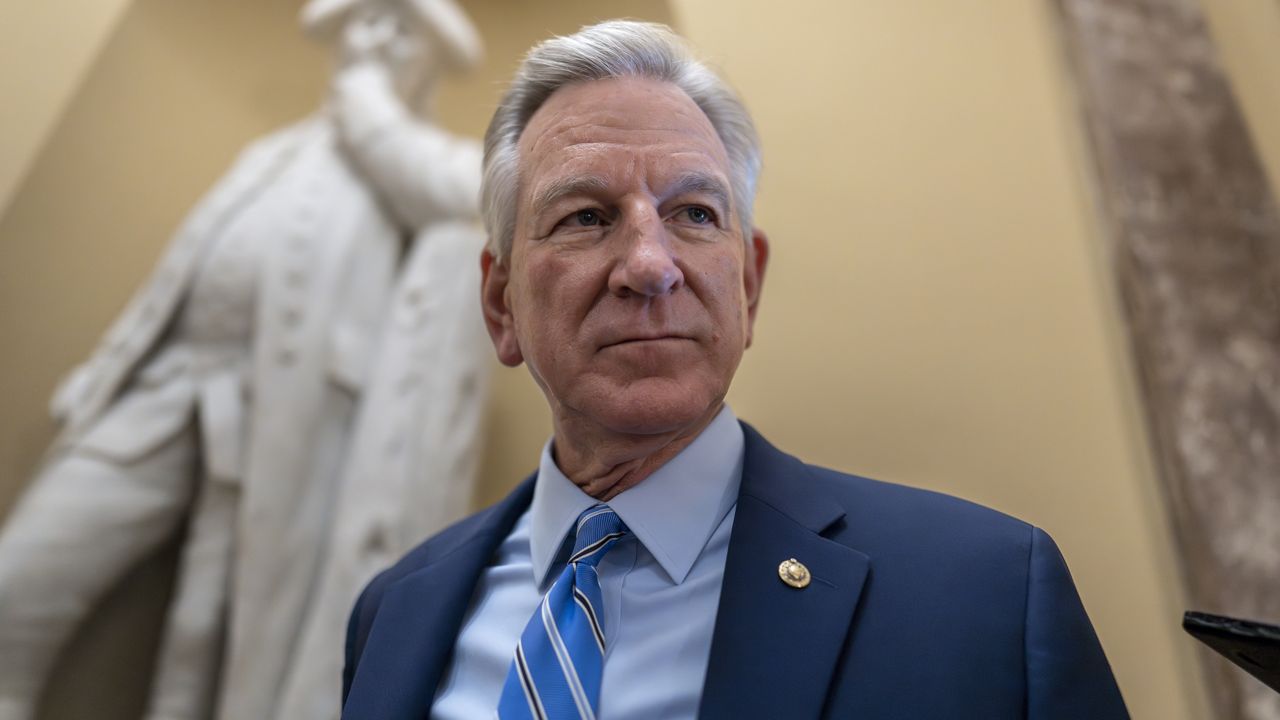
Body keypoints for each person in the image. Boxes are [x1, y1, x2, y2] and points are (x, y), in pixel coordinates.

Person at [340, 19, 1131, 720]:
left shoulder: (985, 594)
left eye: (694, 214)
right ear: (500, 302)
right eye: (586, 216)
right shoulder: (396, 613)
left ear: (747, 286)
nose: (650, 266)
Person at [0, 1, 483, 719]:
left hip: (300, 425)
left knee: (225, 644)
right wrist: (110, 366)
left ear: (430, 59)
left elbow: (468, 204)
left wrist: (372, 117)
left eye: (400, 27)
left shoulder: (426, 161)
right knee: (24, 578)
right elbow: (181, 269)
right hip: (173, 389)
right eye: (364, 19)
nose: (376, 38)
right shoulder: (275, 152)